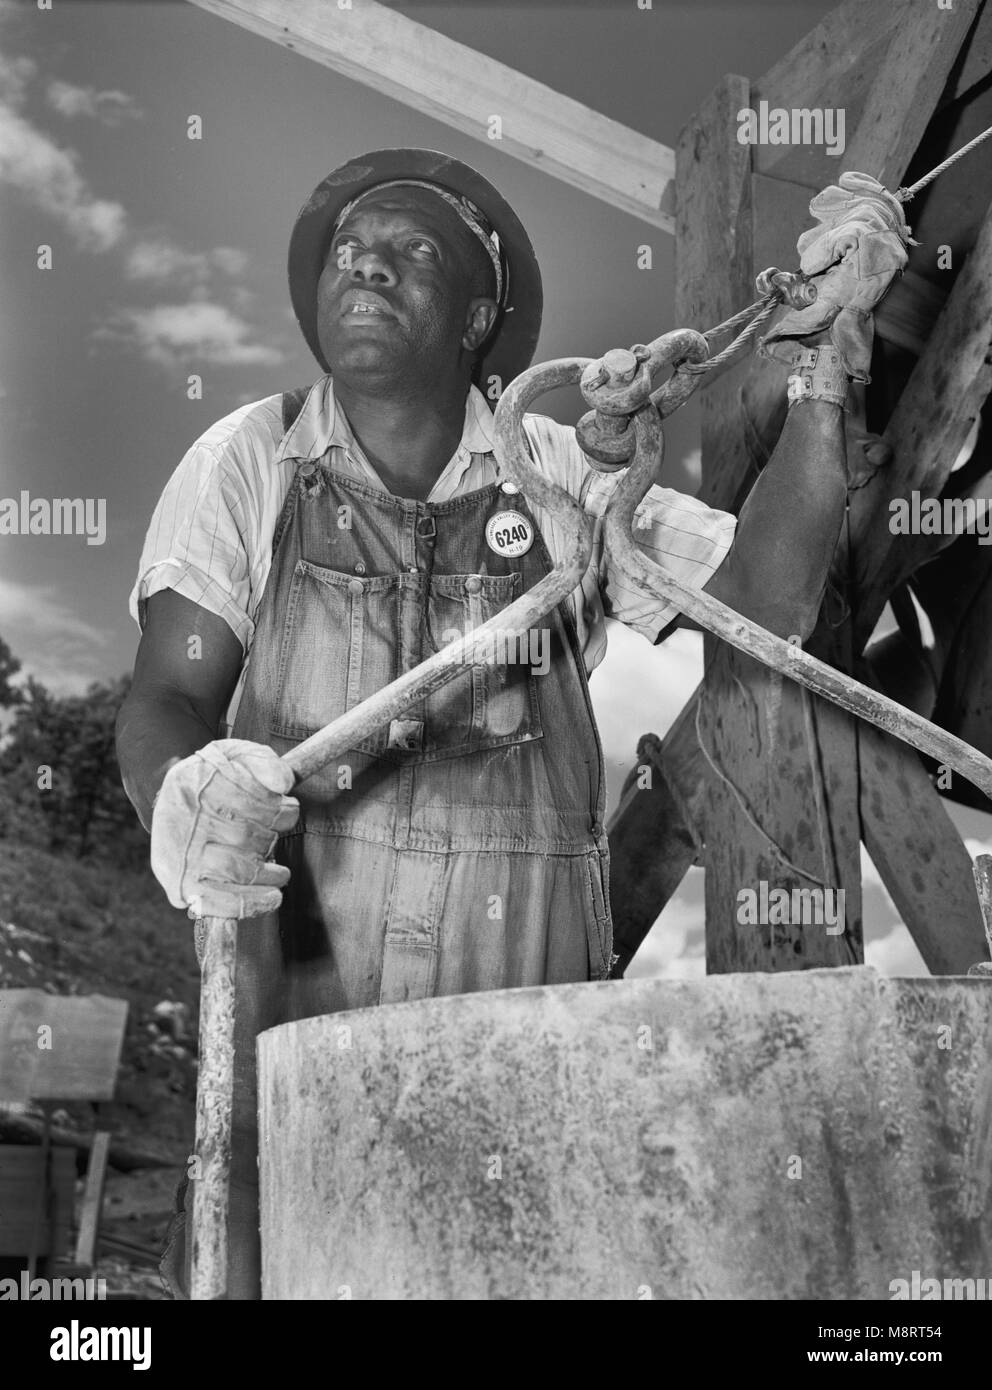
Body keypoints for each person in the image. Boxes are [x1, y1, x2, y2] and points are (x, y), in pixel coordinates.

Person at [115, 149, 904, 1298]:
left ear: (479, 317)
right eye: (347, 251)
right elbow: (170, 695)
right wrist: (180, 797)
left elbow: (765, 604)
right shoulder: (249, 460)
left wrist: (825, 357)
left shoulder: (564, 472)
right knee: (268, 1265)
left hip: (524, 1020)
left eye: (411, 252)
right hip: (293, 1016)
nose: (366, 267)